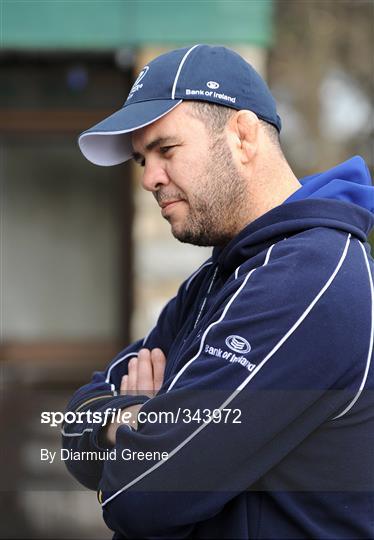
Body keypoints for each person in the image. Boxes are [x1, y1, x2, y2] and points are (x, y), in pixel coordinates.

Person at [63, 45, 374, 539]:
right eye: (141, 160)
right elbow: (74, 424)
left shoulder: (311, 278)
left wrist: (137, 422)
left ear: (243, 136)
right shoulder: (216, 281)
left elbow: (141, 494)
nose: (148, 179)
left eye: (166, 150)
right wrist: (130, 422)